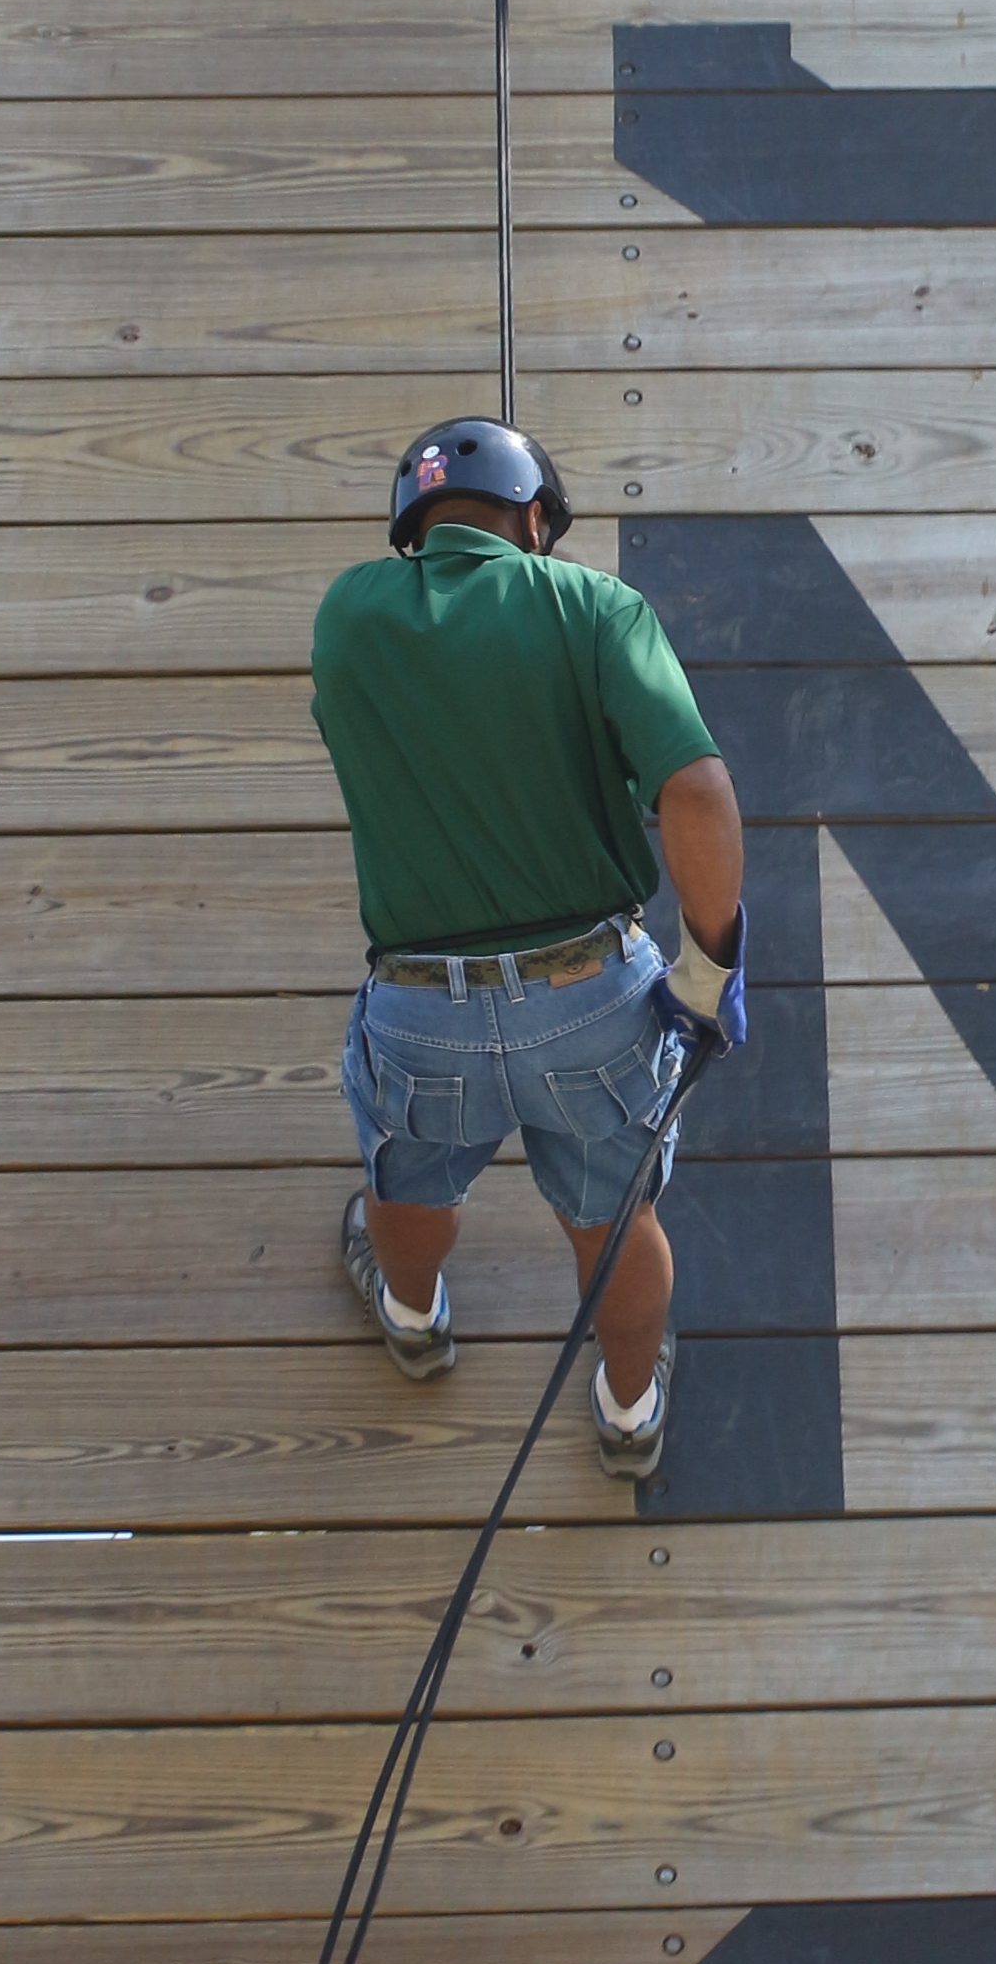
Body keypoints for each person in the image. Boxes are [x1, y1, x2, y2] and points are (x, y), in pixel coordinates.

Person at [309, 415, 746, 1485]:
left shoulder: (349, 615)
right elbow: (694, 789)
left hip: (421, 1004)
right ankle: (628, 1412)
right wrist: (710, 964)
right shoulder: (595, 607)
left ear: (412, 524)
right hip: (590, 997)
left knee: (408, 1186)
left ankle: (413, 1318)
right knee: (612, 1215)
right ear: (537, 518)